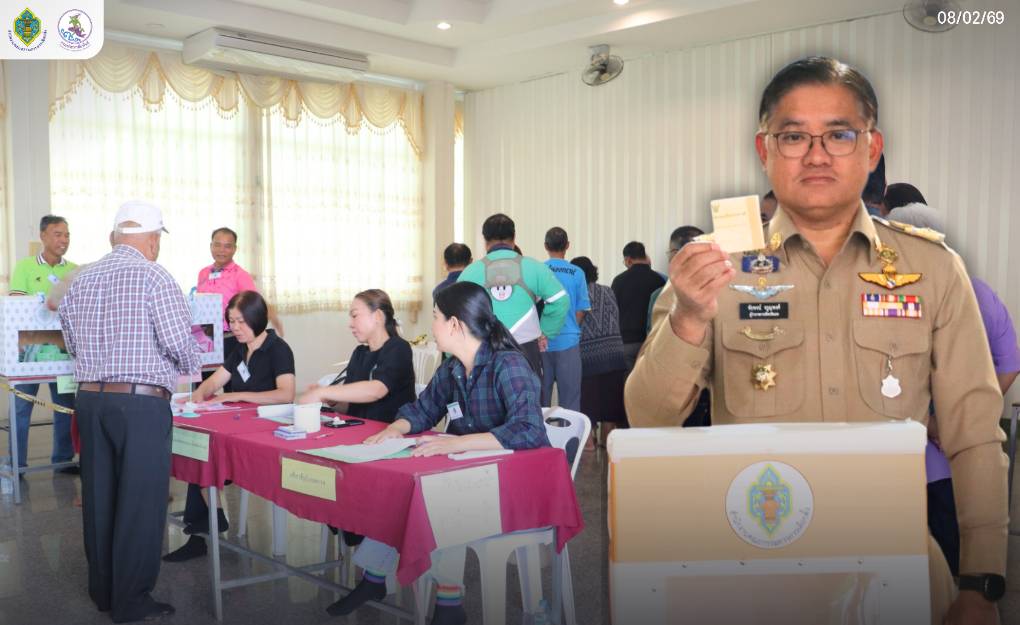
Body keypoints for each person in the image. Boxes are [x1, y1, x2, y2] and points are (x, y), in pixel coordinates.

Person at [629, 57, 1008, 624]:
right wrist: (687, 317)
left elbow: (975, 435)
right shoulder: (710, 268)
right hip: (753, 570)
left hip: (896, 567)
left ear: (871, 148)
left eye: (839, 134)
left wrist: (980, 584)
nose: (816, 153)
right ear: (764, 150)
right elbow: (648, 421)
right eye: (793, 136)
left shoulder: (931, 268)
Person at [325, 281, 549, 625]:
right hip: (470, 471)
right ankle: (374, 578)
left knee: (442, 497)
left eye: (435, 317)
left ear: (455, 324)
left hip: (514, 482)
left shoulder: (508, 365)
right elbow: (422, 409)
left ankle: (448, 605)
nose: (432, 326)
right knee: (406, 488)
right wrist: (393, 430)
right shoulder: (454, 368)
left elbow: (529, 429)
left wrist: (457, 443)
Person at [59, 200, 199, 622]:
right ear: (153, 240)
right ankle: (132, 600)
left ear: (116, 235)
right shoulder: (155, 276)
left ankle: (103, 591)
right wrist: (188, 366)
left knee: (99, 496)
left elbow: (70, 341)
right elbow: (179, 343)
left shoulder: (80, 280)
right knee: (140, 501)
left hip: (90, 399)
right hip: (140, 402)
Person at [880, 205, 1020, 578]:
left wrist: (934, 421)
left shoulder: (891, 294)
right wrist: (961, 416)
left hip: (910, 461)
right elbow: (1008, 366)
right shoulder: (979, 291)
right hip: (957, 459)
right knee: (955, 561)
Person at [163, 290, 295, 563]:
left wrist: (237, 395)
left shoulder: (278, 349)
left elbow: (286, 394)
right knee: (200, 450)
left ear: (257, 319)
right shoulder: (238, 350)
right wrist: (198, 396)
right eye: (231, 321)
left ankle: (205, 526)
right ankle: (208, 523)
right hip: (236, 424)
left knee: (205, 454)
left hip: (266, 430)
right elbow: (215, 381)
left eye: (240, 322)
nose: (234, 328)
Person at [457, 213, 568, 377]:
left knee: (486, 401)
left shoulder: (470, 272)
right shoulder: (534, 267)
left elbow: (456, 312)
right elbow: (560, 300)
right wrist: (545, 332)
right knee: (528, 399)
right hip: (526, 349)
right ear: (514, 238)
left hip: (484, 349)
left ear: (485, 241)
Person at [8, 215, 78, 473]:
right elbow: (16, 303)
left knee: (65, 406)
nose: (64, 240)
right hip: (29, 349)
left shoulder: (74, 270)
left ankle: (63, 459)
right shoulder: (26, 267)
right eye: (58, 234)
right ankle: (17, 463)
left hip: (62, 350)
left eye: (67, 235)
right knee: (22, 406)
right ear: (44, 236)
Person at [298, 289, 415, 423]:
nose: (350, 324)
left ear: (377, 316)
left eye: (355, 316)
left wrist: (323, 392)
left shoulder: (398, 348)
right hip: (362, 431)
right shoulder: (359, 353)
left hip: (391, 433)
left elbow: (376, 390)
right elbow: (350, 408)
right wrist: (333, 401)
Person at [197, 227, 284, 361]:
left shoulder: (240, 275)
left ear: (234, 249)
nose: (221, 250)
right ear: (211, 246)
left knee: (227, 379)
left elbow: (255, 303)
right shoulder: (203, 273)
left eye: (227, 246)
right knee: (206, 379)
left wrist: (273, 317)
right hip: (205, 337)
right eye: (217, 245)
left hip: (230, 338)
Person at [571, 257, 627, 447]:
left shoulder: (576, 293)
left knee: (588, 408)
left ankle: (588, 447)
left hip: (588, 358)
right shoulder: (608, 291)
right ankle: (608, 447)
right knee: (611, 407)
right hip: (615, 355)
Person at [540, 227, 589, 411]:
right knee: (570, 402)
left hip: (541, 342)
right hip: (568, 341)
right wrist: (569, 328)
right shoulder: (577, 273)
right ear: (567, 246)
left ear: (545, 246)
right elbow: (582, 309)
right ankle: (569, 440)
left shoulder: (539, 270)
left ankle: (540, 439)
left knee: (540, 400)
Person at [611, 241, 665, 370]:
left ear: (628, 260)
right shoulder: (658, 279)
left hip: (626, 341)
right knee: (647, 383)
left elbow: (613, 311)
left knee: (628, 384)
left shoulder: (619, 281)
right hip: (652, 341)